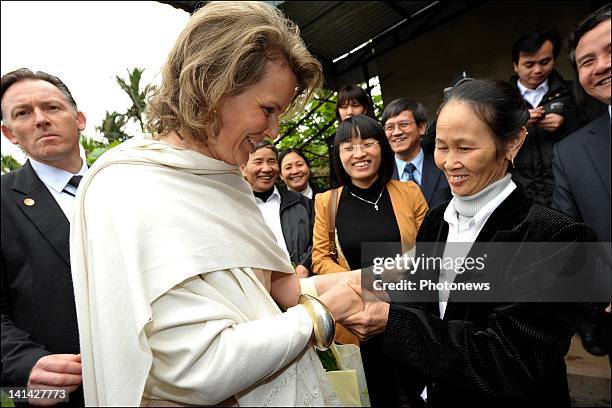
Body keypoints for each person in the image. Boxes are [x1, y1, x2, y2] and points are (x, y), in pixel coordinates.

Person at [69, 2, 363, 406]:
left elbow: (267, 296)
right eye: (268, 109)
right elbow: (195, 368)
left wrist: (382, 278)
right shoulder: (127, 188)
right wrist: (319, 317)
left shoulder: (224, 177)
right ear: (211, 83)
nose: (274, 132)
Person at [343, 79, 595, 407]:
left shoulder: (557, 238)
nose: (449, 162)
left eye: (465, 148)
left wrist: (392, 323)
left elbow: (509, 362)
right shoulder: (435, 221)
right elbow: (426, 300)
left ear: (513, 144)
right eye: (442, 147)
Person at [312, 114, 428, 406]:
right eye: (349, 146)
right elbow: (320, 257)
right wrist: (364, 281)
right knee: (376, 396)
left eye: (368, 143)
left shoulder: (409, 192)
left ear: (382, 148)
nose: (359, 153)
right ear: (338, 155)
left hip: (408, 312)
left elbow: (430, 250)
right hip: (357, 321)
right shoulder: (327, 202)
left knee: (418, 393)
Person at [1, 69, 86, 406]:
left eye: (52, 108)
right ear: (9, 134)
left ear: (79, 119)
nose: (40, 120)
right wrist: (25, 365)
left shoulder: (127, 186)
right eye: (23, 113)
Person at [552, 4, 611, 358]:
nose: (602, 65)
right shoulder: (571, 153)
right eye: (587, 61)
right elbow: (570, 237)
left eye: (610, 51)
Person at [510, 29, 581, 206]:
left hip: (566, 186)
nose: (538, 70)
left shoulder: (572, 91)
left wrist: (566, 122)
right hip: (520, 191)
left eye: (545, 62)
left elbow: (589, 132)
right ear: (515, 65)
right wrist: (516, 123)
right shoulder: (503, 100)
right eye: (529, 64)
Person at [242, 143, 314, 278]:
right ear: (243, 168)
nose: (266, 168)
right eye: (258, 162)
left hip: (305, 281)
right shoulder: (236, 208)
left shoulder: (301, 202)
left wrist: (304, 266)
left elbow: (318, 240)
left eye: (272, 161)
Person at [382, 97, 451, 208]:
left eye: (403, 124)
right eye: (390, 127)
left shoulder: (443, 165)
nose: (396, 132)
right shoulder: (381, 175)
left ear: (422, 127)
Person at [328, 84, 376, 188]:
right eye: (344, 107)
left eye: (355, 105)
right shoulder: (334, 141)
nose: (349, 112)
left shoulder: (377, 133)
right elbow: (334, 178)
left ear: (365, 109)